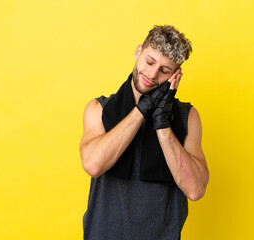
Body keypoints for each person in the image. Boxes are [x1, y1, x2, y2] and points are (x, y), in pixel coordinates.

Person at [80, 25, 209, 240]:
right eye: (150, 62)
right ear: (138, 52)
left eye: (164, 70)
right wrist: (140, 111)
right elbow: (93, 165)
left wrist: (163, 125)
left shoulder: (188, 117)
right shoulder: (98, 109)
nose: (152, 74)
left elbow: (195, 190)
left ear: (175, 75)